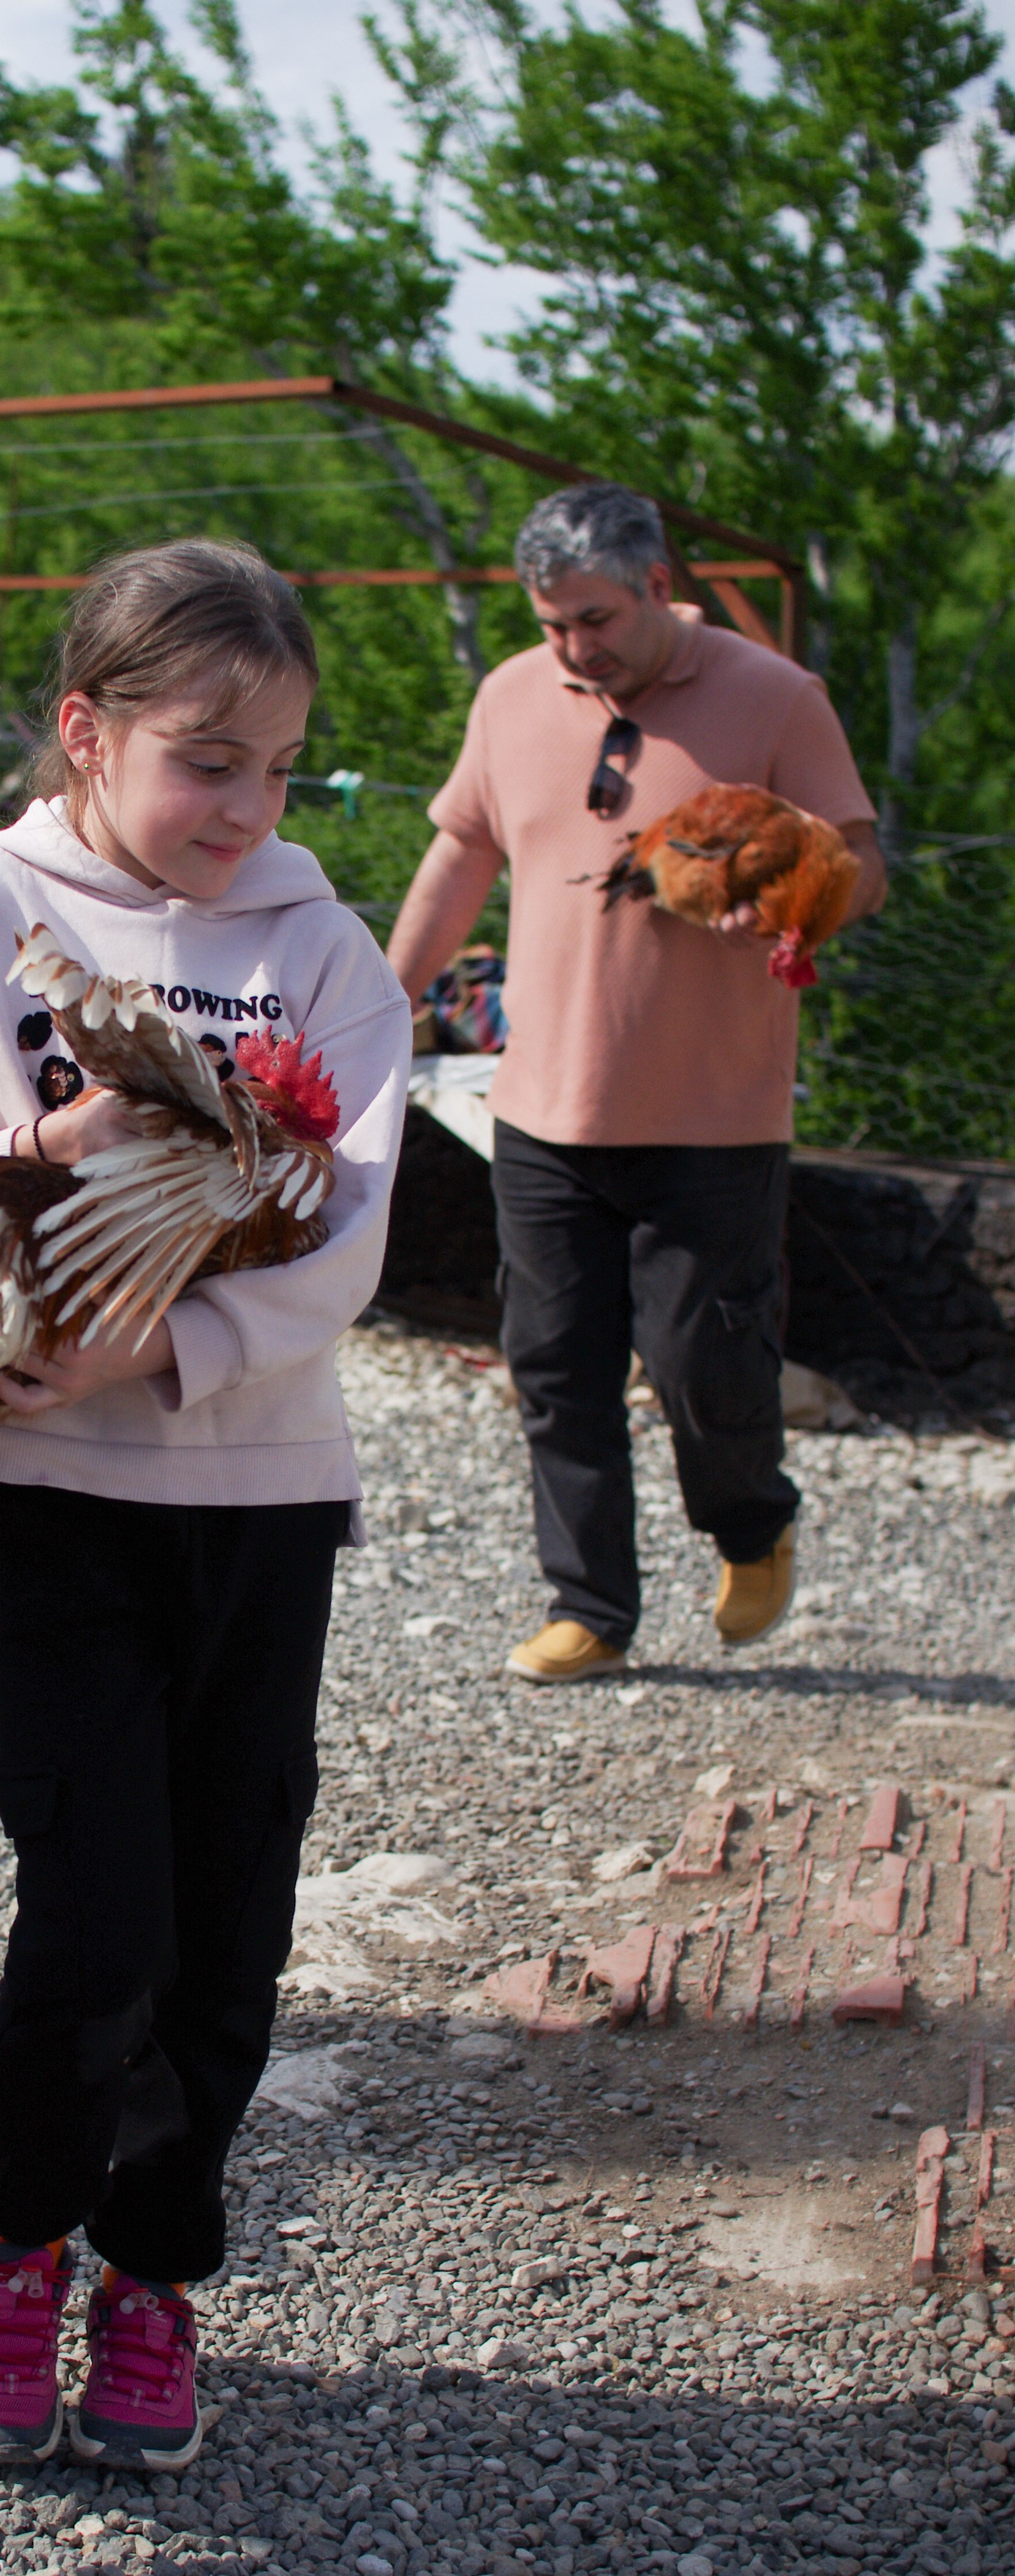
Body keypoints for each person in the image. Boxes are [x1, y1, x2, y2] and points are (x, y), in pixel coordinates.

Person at [0, 539, 411, 2469]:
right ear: (85, 731)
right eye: (205, 761)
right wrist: (37, 1144)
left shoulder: (320, 944)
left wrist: (163, 1342)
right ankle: (15, 2231)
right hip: (47, 1483)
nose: (245, 808)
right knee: (93, 1899)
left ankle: (156, 2267)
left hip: (260, 1482)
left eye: (278, 768)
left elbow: (352, 1228)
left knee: (233, 1915)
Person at [388, 483, 886, 1683]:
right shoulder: (511, 694)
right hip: (541, 1106)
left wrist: (801, 891)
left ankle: (753, 1524)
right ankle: (591, 1606)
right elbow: (461, 852)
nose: (574, 646)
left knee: (704, 1365)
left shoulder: (778, 696)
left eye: (596, 619)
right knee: (554, 1365)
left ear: (660, 583)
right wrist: (387, 999)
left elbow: (864, 865)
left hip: (713, 1116)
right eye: (553, 623)